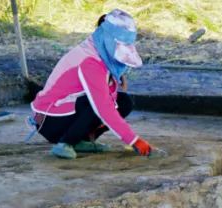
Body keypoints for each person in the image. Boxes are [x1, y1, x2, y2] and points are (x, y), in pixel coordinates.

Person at [31, 9, 152, 159]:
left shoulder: (97, 51)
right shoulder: (90, 61)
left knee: (123, 102)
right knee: (98, 103)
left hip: (61, 114)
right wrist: (134, 140)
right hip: (49, 120)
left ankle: (81, 141)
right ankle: (65, 143)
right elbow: (103, 106)